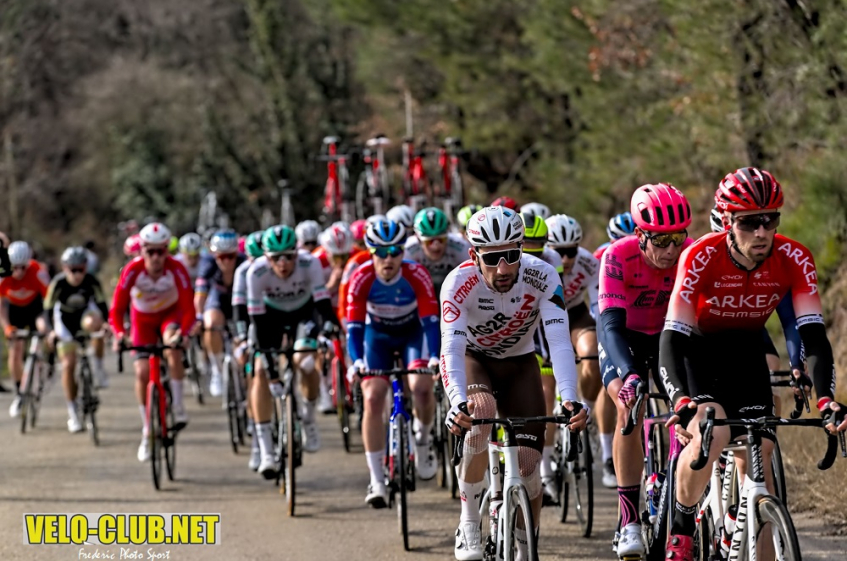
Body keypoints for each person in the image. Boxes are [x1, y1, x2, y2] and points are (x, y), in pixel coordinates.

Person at [659, 168, 846, 560]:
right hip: (699, 352)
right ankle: (680, 527)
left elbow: (813, 337)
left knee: (761, 453)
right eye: (749, 222)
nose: (762, 232)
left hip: (746, 355)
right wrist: (680, 402)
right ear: (727, 221)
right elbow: (672, 338)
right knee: (714, 435)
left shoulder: (795, 257)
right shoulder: (700, 255)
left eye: (770, 219)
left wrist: (827, 400)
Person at [442, 206, 587, 561]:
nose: (504, 268)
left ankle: (525, 542)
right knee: (480, 412)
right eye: (493, 259)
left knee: (527, 465)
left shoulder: (543, 275)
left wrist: (569, 398)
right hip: (474, 360)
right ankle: (470, 521)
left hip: (521, 364)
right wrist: (457, 401)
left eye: (512, 255)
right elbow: (451, 348)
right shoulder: (458, 283)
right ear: (474, 255)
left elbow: (558, 341)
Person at [597, 183, 693, 559]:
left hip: (670, 336)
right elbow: (610, 327)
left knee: (692, 407)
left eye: (677, 238)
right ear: (639, 235)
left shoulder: (691, 253)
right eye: (660, 240)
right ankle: (630, 520)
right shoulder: (617, 257)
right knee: (629, 405)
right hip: (626, 338)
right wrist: (629, 374)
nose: (671, 250)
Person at [346, 219, 441, 506]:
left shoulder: (416, 274)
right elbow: (354, 328)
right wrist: (357, 361)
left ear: (403, 252)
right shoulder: (361, 277)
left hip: (412, 334)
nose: (388, 259)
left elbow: (430, 321)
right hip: (378, 338)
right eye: (380, 252)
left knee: (421, 386)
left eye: (395, 251)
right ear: (370, 252)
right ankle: (376, 480)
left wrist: (435, 356)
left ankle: (422, 440)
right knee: (373, 397)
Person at [246, 225, 340, 477]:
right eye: (276, 258)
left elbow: (322, 305)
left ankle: (308, 417)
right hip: (270, 319)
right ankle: (266, 450)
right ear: (266, 258)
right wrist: (271, 370)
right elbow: (257, 324)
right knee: (260, 372)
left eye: (289, 256)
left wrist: (329, 327)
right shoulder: (256, 273)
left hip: (303, 314)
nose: (284, 263)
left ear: (297, 253)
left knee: (306, 361)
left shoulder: (310, 264)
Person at [109, 222, 195, 462]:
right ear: (142, 251)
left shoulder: (176, 268)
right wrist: (119, 334)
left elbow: (189, 308)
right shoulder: (132, 270)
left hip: (170, 316)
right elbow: (117, 309)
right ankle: (147, 428)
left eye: (161, 251)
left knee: (173, 346)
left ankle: (178, 407)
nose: (156, 257)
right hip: (143, 320)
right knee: (142, 371)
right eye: (151, 252)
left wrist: (184, 333)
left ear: (168, 250)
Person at [43, 247, 110, 431]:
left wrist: (106, 325)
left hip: (84, 317)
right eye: (73, 270)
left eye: (81, 269)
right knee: (68, 365)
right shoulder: (58, 283)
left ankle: (97, 365)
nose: (77, 274)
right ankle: (73, 411)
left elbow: (103, 306)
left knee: (95, 322)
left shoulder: (91, 281)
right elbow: (47, 310)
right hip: (64, 321)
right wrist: (51, 332)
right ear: (65, 269)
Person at [0, 241, 51, 416]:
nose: (19, 272)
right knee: (15, 351)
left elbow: (49, 301)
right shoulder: (3, 273)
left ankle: (45, 360)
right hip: (14, 311)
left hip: (34, 308)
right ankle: (19, 393)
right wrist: (7, 327)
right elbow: (0, 307)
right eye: (15, 268)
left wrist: (48, 329)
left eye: (23, 267)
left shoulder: (37, 271)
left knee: (43, 328)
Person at [194, 229, 246, 397]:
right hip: (218, 299)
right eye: (221, 257)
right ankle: (216, 370)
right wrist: (200, 317)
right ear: (214, 255)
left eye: (230, 256)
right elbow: (200, 296)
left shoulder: (244, 263)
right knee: (211, 324)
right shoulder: (207, 264)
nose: (226, 262)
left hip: (239, 300)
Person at [232, 230, 265, 470]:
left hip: (278, 317)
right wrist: (242, 338)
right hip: (253, 320)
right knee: (254, 376)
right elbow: (239, 310)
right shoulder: (244, 272)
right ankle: (257, 442)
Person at [405, 207, 472, 297]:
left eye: (441, 239)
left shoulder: (461, 247)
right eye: (429, 241)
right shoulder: (408, 250)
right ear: (418, 239)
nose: (436, 246)